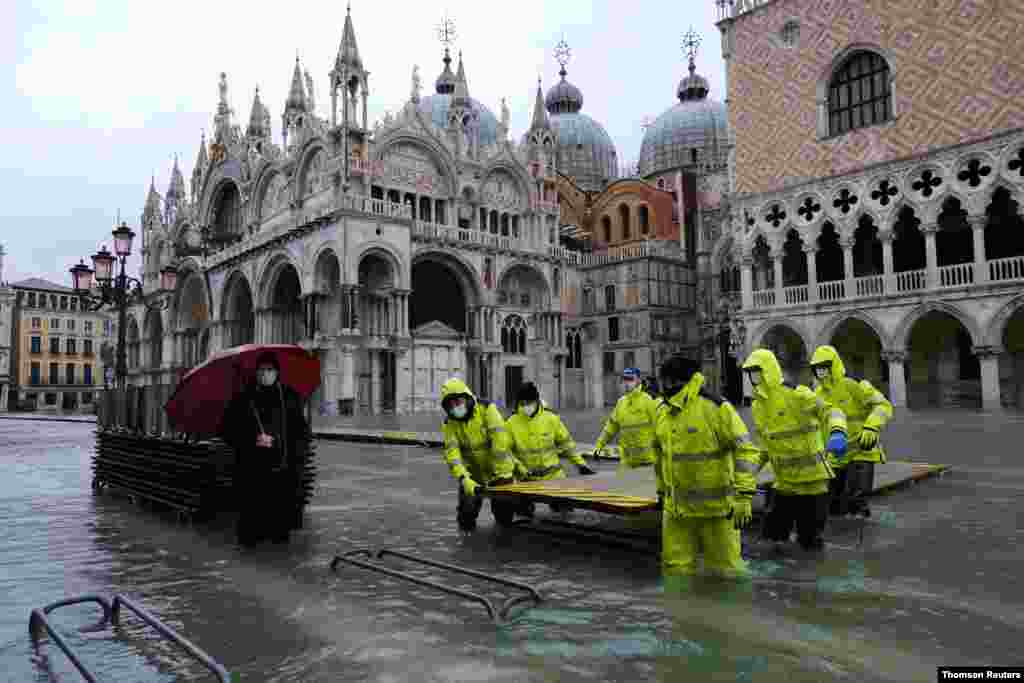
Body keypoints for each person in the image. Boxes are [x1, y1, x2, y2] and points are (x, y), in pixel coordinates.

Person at [653, 354, 761, 578]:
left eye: (669, 381)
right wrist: (662, 491)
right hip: (676, 512)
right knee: (675, 572)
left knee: (726, 574)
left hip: (717, 512)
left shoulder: (715, 408)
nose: (666, 386)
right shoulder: (661, 411)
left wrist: (744, 495)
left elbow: (746, 450)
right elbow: (660, 457)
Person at [741, 349, 847, 551]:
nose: (754, 376)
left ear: (768, 370)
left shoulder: (797, 393)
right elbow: (764, 446)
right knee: (773, 538)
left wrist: (838, 431)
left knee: (809, 540)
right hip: (785, 483)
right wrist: (747, 473)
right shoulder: (758, 406)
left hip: (813, 482)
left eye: (757, 371)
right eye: (750, 372)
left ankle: (814, 566)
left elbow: (832, 410)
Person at [221, 352, 310, 546]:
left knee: (280, 520)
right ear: (255, 372)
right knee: (253, 518)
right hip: (252, 469)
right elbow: (227, 430)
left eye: (270, 370)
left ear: (277, 372)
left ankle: (278, 538)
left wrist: (282, 443)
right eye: (261, 370)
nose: (265, 374)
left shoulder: (289, 396)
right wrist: (252, 439)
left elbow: (301, 431)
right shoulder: (244, 398)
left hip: (282, 467)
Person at [809, 345, 893, 518]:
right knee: (834, 506)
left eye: (824, 366)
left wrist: (872, 426)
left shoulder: (852, 385)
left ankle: (860, 523)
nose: (821, 371)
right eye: (817, 368)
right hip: (836, 454)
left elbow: (883, 405)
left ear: (833, 365)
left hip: (861, 451)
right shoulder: (817, 394)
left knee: (856, 501)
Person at [439, 378, 521, 531]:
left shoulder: (487, 409)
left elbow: (500, 441)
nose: (456, 407)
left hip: (500, 473)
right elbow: (453, 455)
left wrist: (499, 474)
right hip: (473, 475)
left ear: (467, 398)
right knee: (466, 516)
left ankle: (504, 540)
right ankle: (468, 541)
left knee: (504, 517)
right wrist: (464, 478)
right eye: (451, 404)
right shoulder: (449, 423)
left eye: (458, 401)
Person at [506, 382, 595, 515]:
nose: (526, 406)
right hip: (526, 479)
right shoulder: (511, 423)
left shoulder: (551, 419)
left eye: (529, 402)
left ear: (536, 400)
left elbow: (567, 445)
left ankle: (559, 507)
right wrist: (521, 469)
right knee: (522, 515)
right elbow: (506, 452)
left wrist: (581, 464)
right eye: (522, 403)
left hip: (554, 476)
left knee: (566, 511)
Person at [593, 368, 661, 477]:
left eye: (630, 379)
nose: (626, 383)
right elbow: (611, 427)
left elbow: (660, 427)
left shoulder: (648, 400)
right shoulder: (621, 403)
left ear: (638, 381)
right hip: (627, 462)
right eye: (624, 379)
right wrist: (599, 445)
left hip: (648, 461)